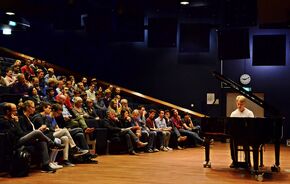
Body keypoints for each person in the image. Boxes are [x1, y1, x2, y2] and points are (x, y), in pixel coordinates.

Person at [229, 95, 254, 168]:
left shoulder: (249, 113)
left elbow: (252, 126)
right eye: (238, 104)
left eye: (241, 104)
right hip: (236, 135)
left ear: (244, 104)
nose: (239, 106)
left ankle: (247, 161)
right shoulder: (233, 114)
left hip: (247, 135)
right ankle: (234, 161)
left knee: (245, 142)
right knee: (232, 141)